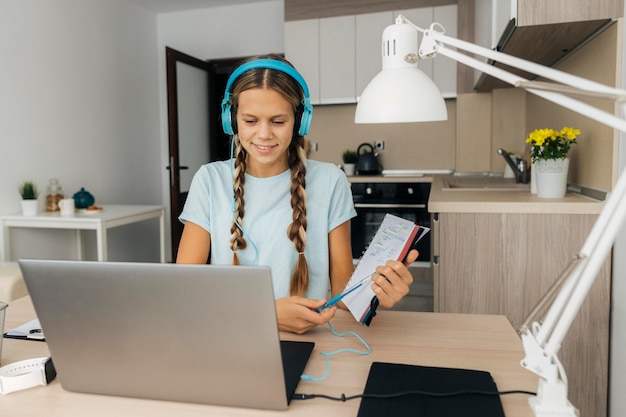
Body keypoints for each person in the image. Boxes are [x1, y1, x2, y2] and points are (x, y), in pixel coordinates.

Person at [176, 54, 418, 334]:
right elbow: (186, 291)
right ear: (231, 121)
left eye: (278, 122)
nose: (264, 134)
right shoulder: (209, 181)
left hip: (312, 341)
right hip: (232, 335)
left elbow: (342, 290)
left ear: (299, 121)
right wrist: (265, 314)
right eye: (251, 120)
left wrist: (376, 290)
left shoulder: (330, 181)